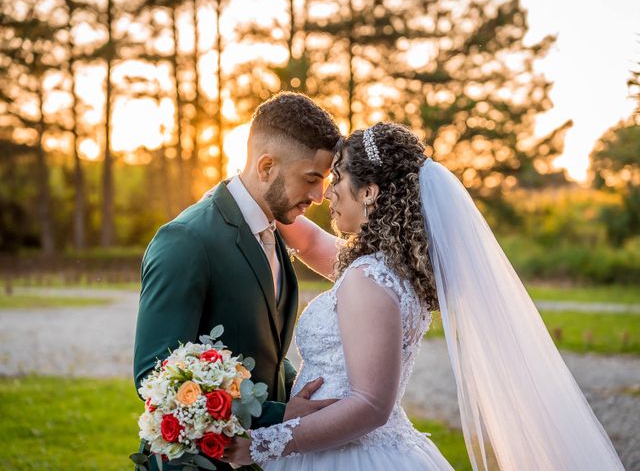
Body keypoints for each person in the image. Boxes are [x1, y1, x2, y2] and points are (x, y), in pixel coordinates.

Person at [221, 122, 625, 470]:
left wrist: (261, 444)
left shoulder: (369, 278)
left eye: (339, 177)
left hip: (343, 454)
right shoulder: (389, 268)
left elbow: (369, 406)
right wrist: (244, 191)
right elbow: (308, 242)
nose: (328, 192)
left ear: (369, 193)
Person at [133, 92, 342, 470]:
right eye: (311, 179)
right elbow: (155, 373)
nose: (318, 196)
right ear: (266, 167)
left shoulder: (274, 230)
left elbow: (264, 353)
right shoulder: (187, 240)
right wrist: (279, 415)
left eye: (324, 182)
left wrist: (305, 392)